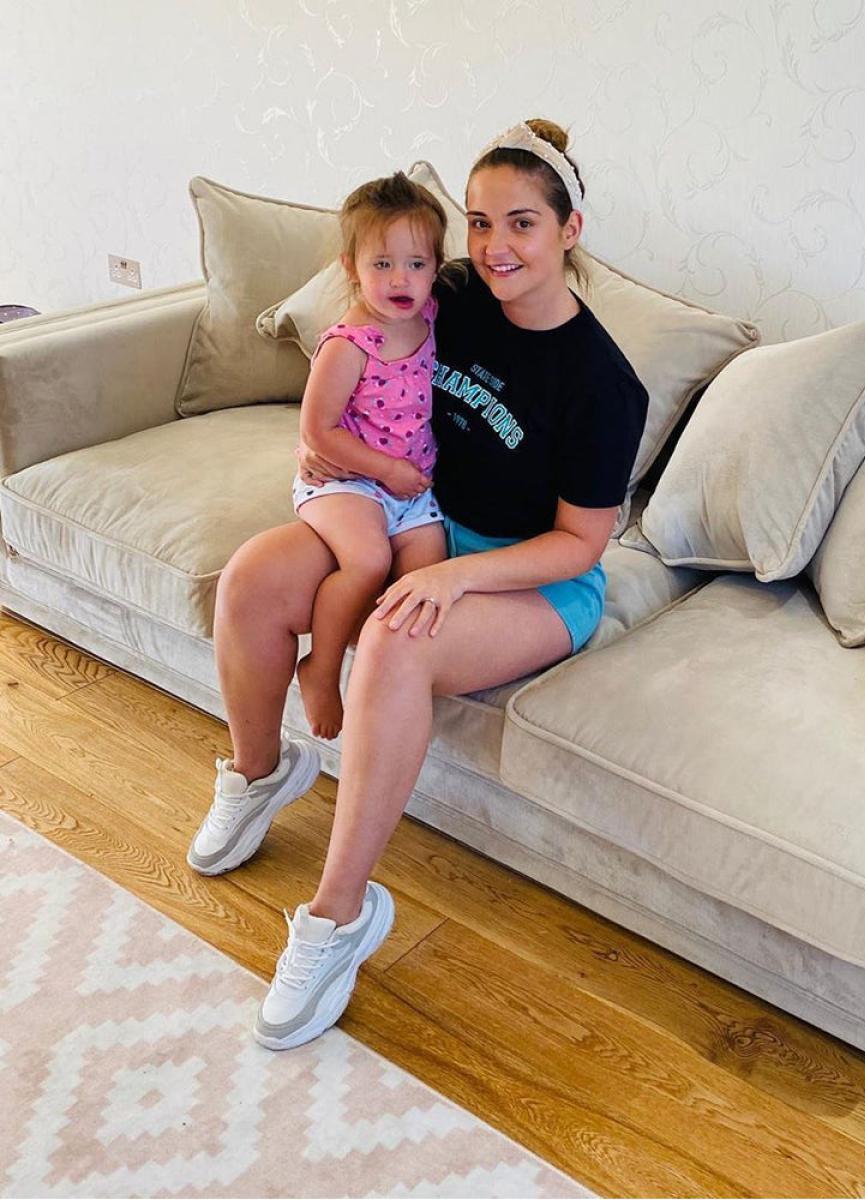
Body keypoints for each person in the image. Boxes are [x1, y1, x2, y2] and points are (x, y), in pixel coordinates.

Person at [187, 119, 649, 1051]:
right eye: (479, 222)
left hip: (533, 577)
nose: (496, 245)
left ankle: (337, 916)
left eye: (522, 223)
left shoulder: (605, 385)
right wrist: (327, 448)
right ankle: (260, 769)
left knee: (395, 636)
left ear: (571, 230)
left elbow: (579, 544)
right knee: (252, 579)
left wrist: (454, 577)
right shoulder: (450, 294)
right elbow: (361, 301)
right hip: (413, 516)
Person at [290, 172, 450, 741]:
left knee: (427, 577)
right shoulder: (348, 345)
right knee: (366, 561)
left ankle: (385, 680)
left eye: (416, 264)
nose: (400, 279)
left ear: (436, 268)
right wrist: (385, 471)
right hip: (347, 482)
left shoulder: (431, 318)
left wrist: (403, 479)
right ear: (351, 267)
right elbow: (317, 429)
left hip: (411, 491)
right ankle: (321, 665)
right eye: (382, 264)